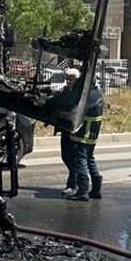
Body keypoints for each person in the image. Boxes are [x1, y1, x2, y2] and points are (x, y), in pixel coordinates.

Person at [65, 77, 105, 201]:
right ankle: (96, 189)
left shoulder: (87, 96)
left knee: (81, 160)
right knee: (90, 158)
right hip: (92, 135)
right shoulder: (98, 94)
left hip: (83, 135)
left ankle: (82, 191)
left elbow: (74, 108)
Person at [58, 68, 82, 198]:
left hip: (74, 129)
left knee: (73, 157)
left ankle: (73, 184)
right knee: (65, 156)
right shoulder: (65, 91)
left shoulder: (79, 93)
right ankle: (76, 179)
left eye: (71, 79)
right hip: (65, 128)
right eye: (67, 79)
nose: (68, 81)